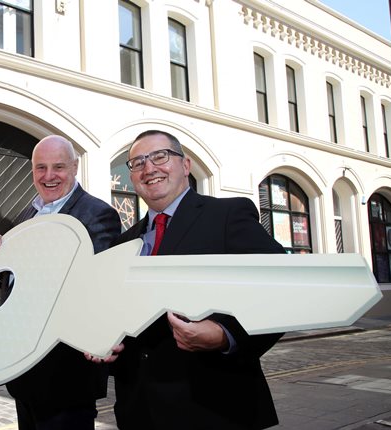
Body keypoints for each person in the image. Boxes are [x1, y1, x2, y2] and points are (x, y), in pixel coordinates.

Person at [109, 130, 285, 430]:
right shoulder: (125, 243)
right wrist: (105, 342)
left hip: (214, 410)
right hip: (139, 412)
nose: (149, 168)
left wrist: (225, 334)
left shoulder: (227, 214)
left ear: (185, 165)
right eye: (138, 163)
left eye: (160, 156)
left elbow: (281, 286)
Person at [0, 135, 122, 430]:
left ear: (75, 167)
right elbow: (20, 277)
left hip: (66, 375)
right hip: (26, 371)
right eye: (41, 168)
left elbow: (92, 283)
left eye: (58, 167)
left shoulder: (98, 214)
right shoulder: (28, 214)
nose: (49, 176)